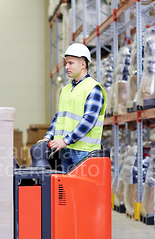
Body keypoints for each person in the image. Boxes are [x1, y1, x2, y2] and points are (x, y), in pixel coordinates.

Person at [39, 43, 107, 172]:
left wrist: (65, 141)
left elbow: (88, 121)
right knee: (65, 191)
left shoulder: (93, 89)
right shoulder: (66, 90)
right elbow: (60, 117)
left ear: (83, 64)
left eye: (71, 63)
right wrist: (48, 137)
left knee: (82, 190)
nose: (66, 67)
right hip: (65, 151)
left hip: (84, 152)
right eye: (66, 63)